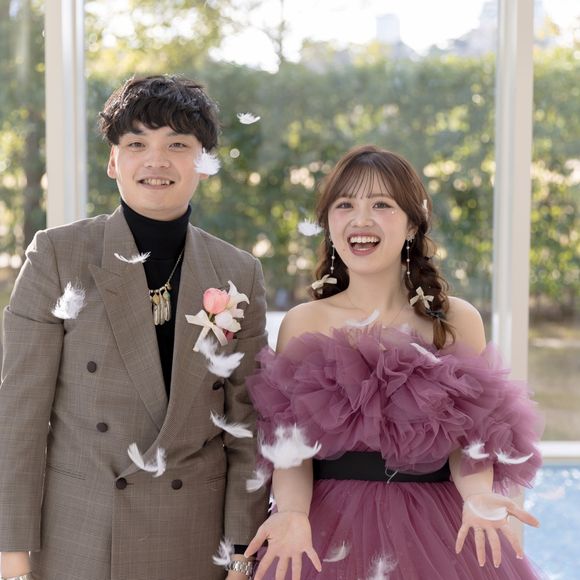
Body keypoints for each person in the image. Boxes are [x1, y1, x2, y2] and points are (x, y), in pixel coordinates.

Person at [0, 75, 267, 580]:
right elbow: (19, 414)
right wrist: (11, 550)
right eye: (137, 144)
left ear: (204, 162)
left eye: (178, 145)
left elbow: (247, 425)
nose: (156, 161)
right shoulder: (58, 255)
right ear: (113, 161)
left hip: (194, 540)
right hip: (82, 535)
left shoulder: (239, 272)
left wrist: (240, 552)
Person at [244, 145, 544, 579]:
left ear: (411, 225)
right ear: (329, 224)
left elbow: (469, 439)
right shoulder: (303, 323)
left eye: (381, 205)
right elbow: (290, 446)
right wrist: (290, 511)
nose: (360, 219)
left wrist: (478, 494)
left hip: (436, 528)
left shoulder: (454, 320)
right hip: (326, 531)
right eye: (345, 205)